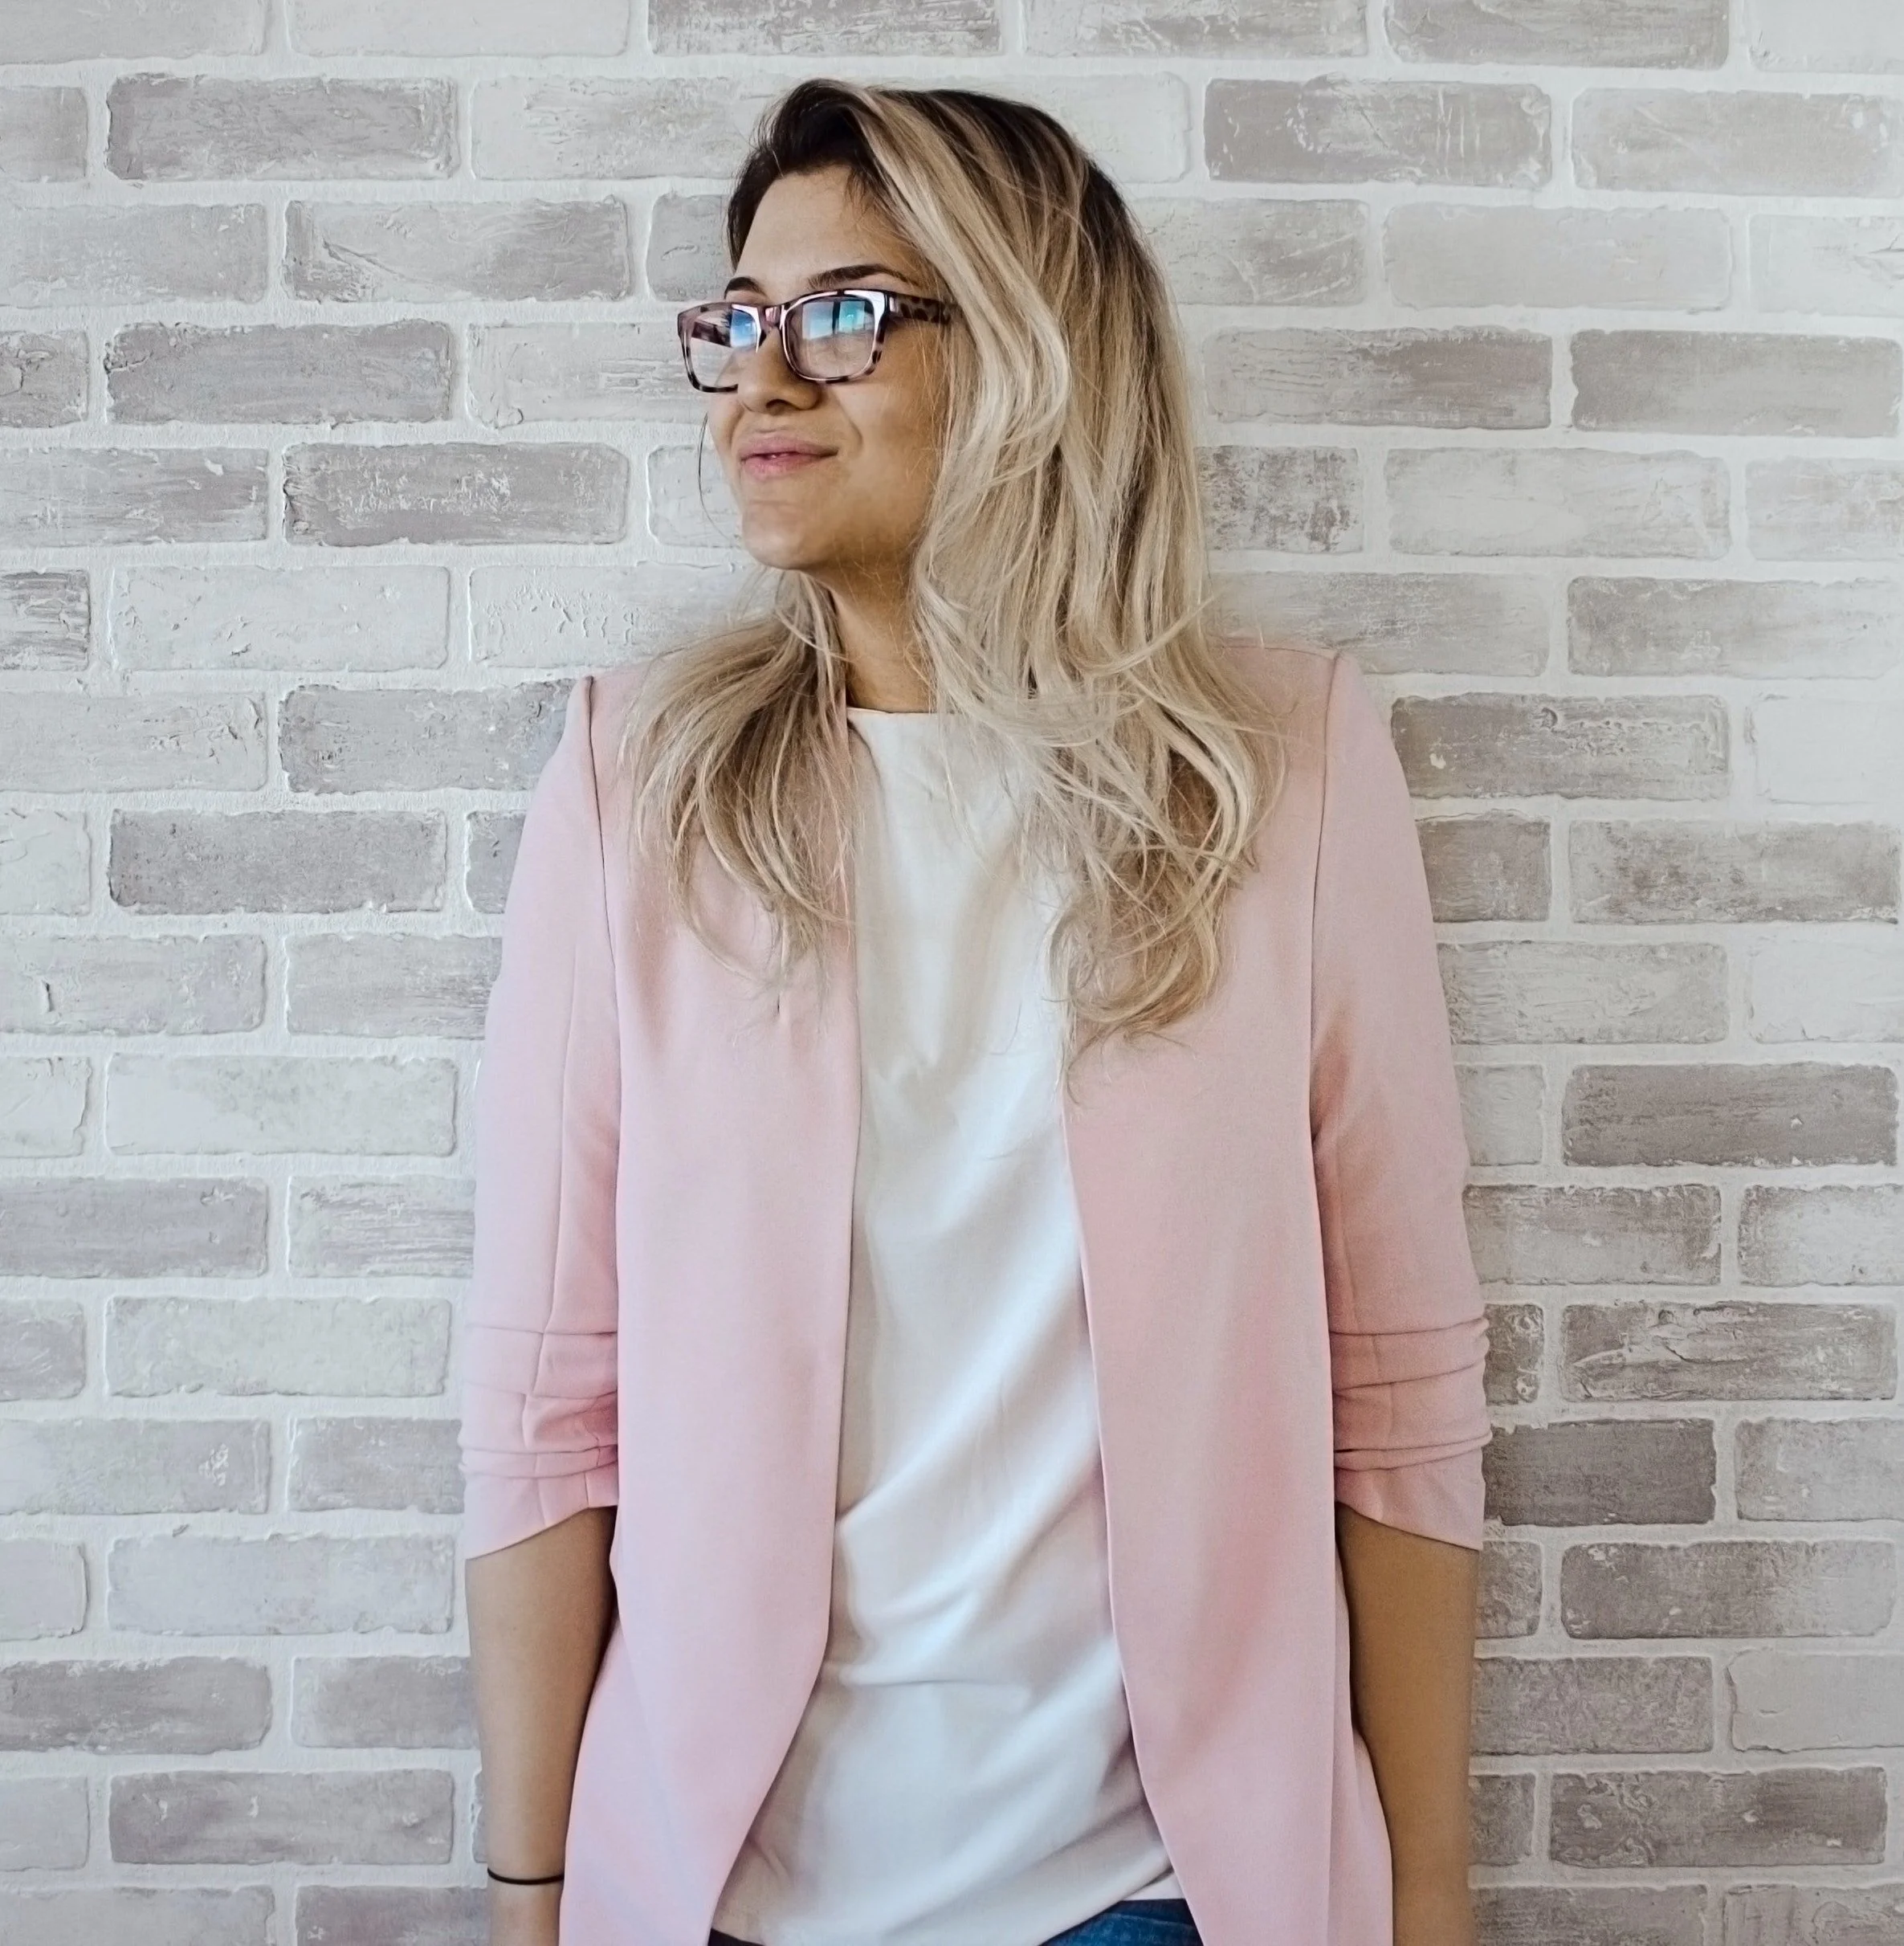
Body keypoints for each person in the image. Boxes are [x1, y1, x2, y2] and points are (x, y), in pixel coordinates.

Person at [459, 78, 1492, 1946]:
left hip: (1161, 1891)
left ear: (1030, 351)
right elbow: (546, 1400)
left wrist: (1425, 1896)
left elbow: (1401, 1385)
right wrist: (533, 1890)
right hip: (727, 1892)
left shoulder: (1289, 771)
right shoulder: (640, 788)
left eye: (842, 316)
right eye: (739, 324)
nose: (764, 381)